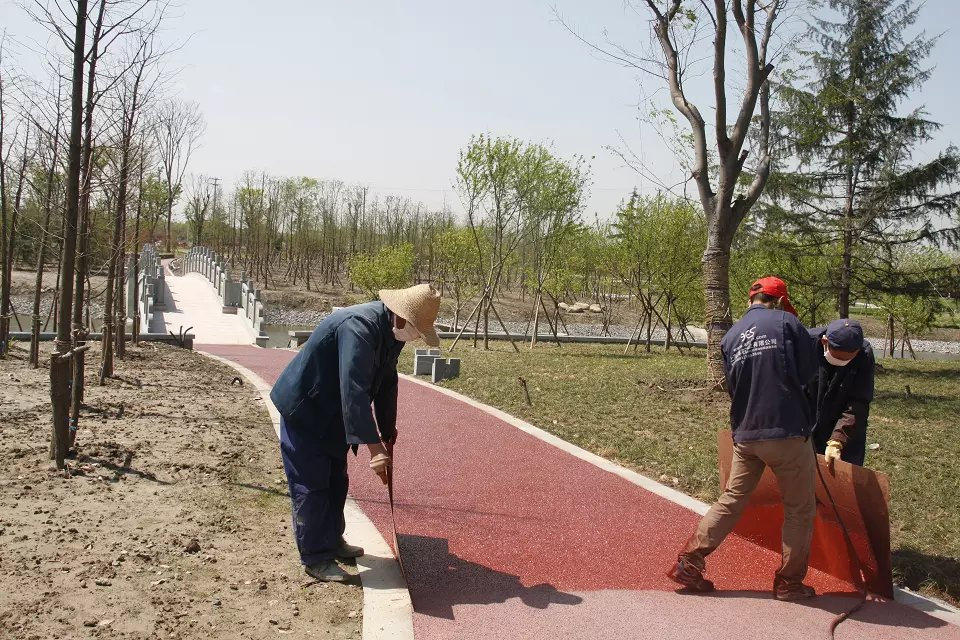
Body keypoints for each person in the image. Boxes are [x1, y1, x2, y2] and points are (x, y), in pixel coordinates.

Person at [269, 284, 441, 582]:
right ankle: (315, 557)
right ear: (400, 318)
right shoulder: (358, 328)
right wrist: (375, 450)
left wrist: (387, 431)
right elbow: (354, 391)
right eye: (416, 330)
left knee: (337, 481)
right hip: (306, 409)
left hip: (333, 414)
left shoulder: (390, 333)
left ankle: (333, 541)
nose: (414, 338)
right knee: (311, 485)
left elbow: (386, 382)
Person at [667, 276, 819, 601]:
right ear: (778, 301)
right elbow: (808, 374)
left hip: (746, 433)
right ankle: (789, 583)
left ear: (751, 300)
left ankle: (689, 561)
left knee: (731, 499)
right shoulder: (787, 323)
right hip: (787, 431)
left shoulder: (732, 335)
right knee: (799, 509)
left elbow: (733, 387)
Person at [807, 319, 875, 466]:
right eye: (837, 357)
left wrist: (838, 440)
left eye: (846, 359)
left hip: (845, 425)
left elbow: (858, 402)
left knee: (840, 474)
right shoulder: (806, 343)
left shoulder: (864, 354)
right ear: (825, 342)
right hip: (805, 423)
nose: (841, 362)